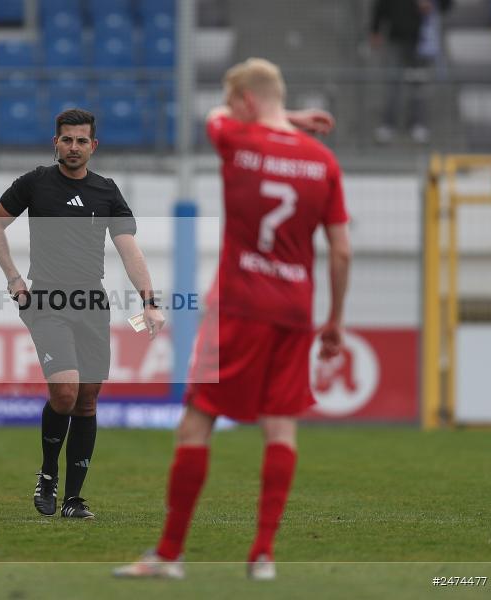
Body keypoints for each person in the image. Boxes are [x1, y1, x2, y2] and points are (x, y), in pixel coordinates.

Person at [114, 58, 351, 580]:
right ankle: (262, 555)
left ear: (245, 101)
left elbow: (218, 114)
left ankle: (169, 556)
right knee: (281, 426)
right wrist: (332, 320)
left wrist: (277, 115)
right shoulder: (323, 162)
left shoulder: (236, 139)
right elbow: (340, 252)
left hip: (240, 306)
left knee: (197, 420)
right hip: (295, 311)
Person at [0, 108, 166, 520]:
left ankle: (73, 499)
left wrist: (149, 301)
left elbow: (128, 248)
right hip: (47, 303)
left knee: (86, 401)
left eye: (82, 140)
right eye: (66, 139)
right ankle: (48, 474)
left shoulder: (107, 191)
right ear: (56, 142)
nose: (73, 147)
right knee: (64, 392)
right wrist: (14, 279)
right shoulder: (34, 183)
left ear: (93, 146)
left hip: (92, 305)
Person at [370, 0, 452, 144]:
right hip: (396, 38)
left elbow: (447, 4)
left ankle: (418, 123)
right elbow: (381, 4)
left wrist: (433, 4)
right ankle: (388, 124)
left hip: (421, 40)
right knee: (392, 84)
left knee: (419, 84)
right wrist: (375, 29)